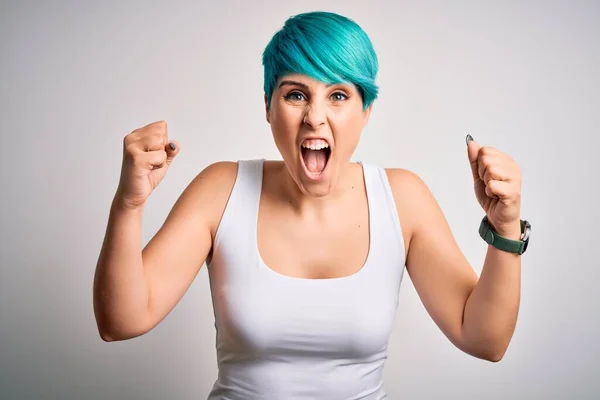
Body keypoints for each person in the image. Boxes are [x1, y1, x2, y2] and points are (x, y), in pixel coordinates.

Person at [93, 11, 530, 399]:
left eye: (338, 95)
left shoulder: (403, 199)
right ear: (268, 106)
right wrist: (128, 205)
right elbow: (121, 321)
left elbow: (484, 340)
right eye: (295, 94)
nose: (315, 117)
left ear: (366, 110)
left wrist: (505, 227)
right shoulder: (221, 190)